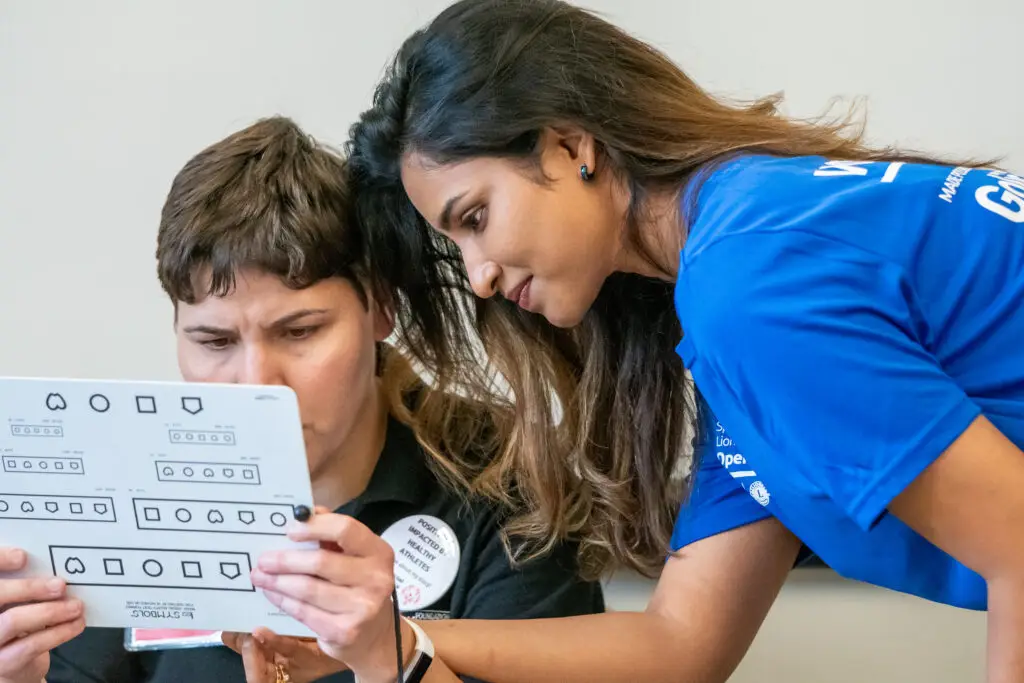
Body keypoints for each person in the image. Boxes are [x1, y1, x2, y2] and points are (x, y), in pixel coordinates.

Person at [278, 0, 1020, 681]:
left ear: (571, 146)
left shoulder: (748, 289)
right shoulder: (743, 253)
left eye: (474, 218)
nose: (478, 276)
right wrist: (400, 640)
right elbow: (681, 643)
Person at [0, 115, 604, 683]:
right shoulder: (120, 499)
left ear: (381, 307)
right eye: (215, 342)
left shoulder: (514, 486)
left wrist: (390, 658)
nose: (258, 384)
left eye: (299, 332)